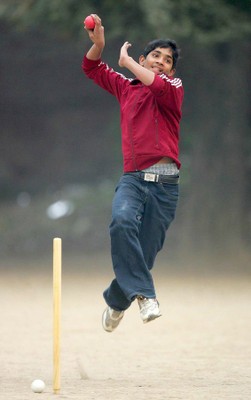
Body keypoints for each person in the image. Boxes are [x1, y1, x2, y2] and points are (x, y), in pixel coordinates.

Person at [82, 14, 184, 332]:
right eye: (155, 56)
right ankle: (145, 297)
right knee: (121, 223)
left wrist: (127, 62)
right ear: (144, 58)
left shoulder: (173, 88)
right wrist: (99, 46)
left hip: (165, 186)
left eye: (167, 60)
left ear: (172, 70)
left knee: (145, 254)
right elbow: (92, 69)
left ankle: (116, 301)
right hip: (134, 179)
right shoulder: (126, 89)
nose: (161, 63)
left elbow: (156, 84)